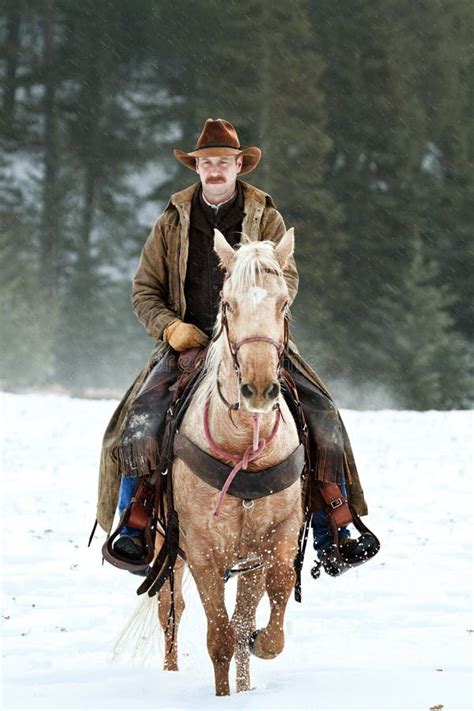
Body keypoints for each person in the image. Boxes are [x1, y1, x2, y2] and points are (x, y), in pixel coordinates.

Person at [95, 118, 379, 577]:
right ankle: (135, 524)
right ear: (197, 168)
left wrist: (260, 311)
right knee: (139, 420)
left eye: (223, 162)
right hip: (187, 344)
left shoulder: (265, 215)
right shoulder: (171, 220)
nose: (214, 170)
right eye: (206, 162)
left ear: (239, 165)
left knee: (322, 413)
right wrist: (171, 329)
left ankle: (334, 526)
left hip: (256, 338)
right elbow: (144, 291)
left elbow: (287, 276)